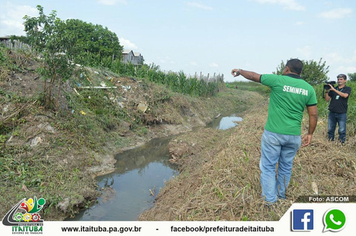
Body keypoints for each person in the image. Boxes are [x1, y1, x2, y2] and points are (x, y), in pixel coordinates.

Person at [231, 59, 318, 204]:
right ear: (300, 72)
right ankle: (280, 196)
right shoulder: (308, 89)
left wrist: (240, 71)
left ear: (287, 69)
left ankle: (270, 201)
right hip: (293, 136)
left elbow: (253, 76)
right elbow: (313, 114)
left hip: (273, 134)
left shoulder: (277, 80)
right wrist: (310, 133)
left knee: (268, 166)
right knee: (285, 167)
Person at [324, 74, 351, 143]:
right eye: (338, 79)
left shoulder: (347, 89)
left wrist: (334, 90)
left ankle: (341, 143)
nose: (339, 81)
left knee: (342, 130)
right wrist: (327, 91)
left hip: (342, 112)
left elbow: (345, 95)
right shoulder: (334, 88)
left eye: (341, 79)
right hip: (332, 112)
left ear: (345, 80)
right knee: (330, 129)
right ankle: (330, 142)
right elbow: (327, 99)